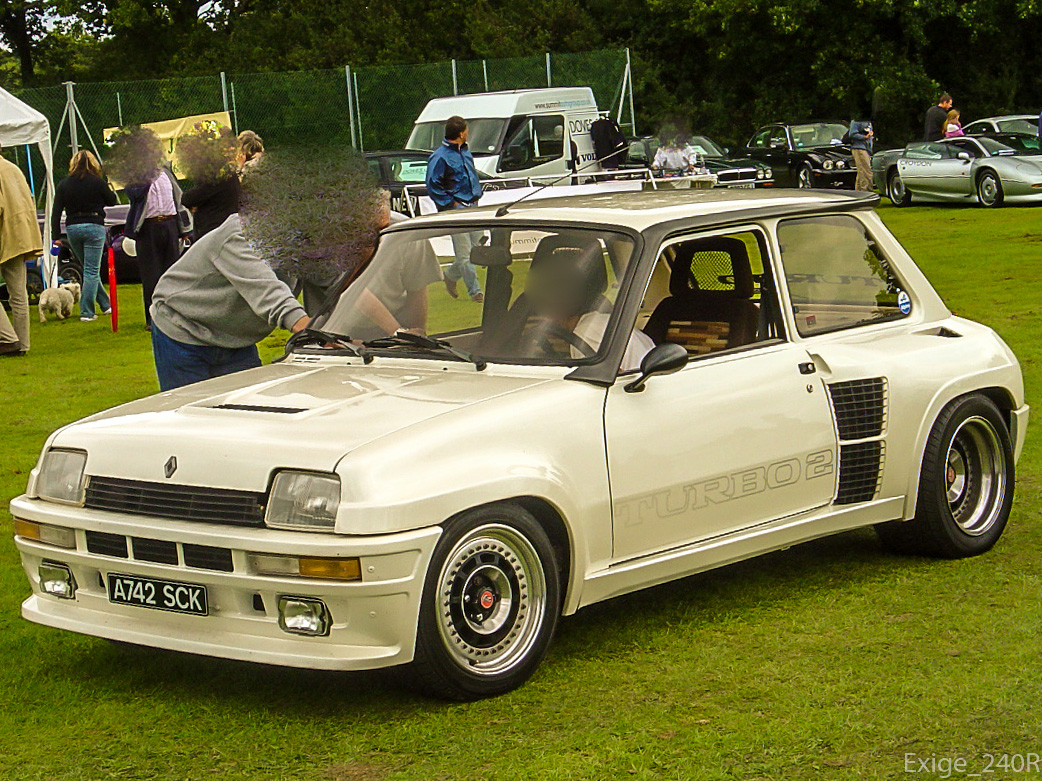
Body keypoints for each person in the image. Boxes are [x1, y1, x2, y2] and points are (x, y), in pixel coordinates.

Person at [149, 212, 310, 390]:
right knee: (191, 405)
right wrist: (308, 329)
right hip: (183, 329)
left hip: (236, 339)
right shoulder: (242, 233)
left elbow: (329, 289)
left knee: (246, 405)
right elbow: (267, 292)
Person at [321, 197, 443, 341]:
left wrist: (416, 338)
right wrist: (398, 332)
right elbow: (355, 290)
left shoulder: (407, 231)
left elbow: (417, 289)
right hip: (333, 332)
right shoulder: (328, 233)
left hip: (392, 325)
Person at [50, 150, 117, 321]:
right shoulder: (97, 182)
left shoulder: (64, 184)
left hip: (73, 228)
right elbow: (112, 200)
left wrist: (55, 236)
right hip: (94, 225)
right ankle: (86, 312)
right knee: (91, 270)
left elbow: (56, 212)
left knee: (88, 269)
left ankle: (106, 305)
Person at [425, 115, 484, 302]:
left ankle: (450, 275)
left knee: (478, 250)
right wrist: (452, 204)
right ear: (460, 134)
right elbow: (432, 185)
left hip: (473, 207)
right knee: (464, 254)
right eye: (466, 130)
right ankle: (475, 292)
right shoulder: (439, 157)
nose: (468, 133)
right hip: (456, 210)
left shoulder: (465, 152)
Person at [0, 146, 42, 356]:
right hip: (21, 234)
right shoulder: (13, 168)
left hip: (5, 234)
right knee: (18, 294)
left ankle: (9, 339)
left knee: (17, 294)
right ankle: (22, 344)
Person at [848, 119, 874, 192]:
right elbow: (852, 134)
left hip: (866, 149)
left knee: (861, 173)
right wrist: (865, 137)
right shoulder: (856, 121)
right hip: (859, 148)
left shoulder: (868, 122)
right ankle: (866, 192)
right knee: (866, 172)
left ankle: (858, 192)